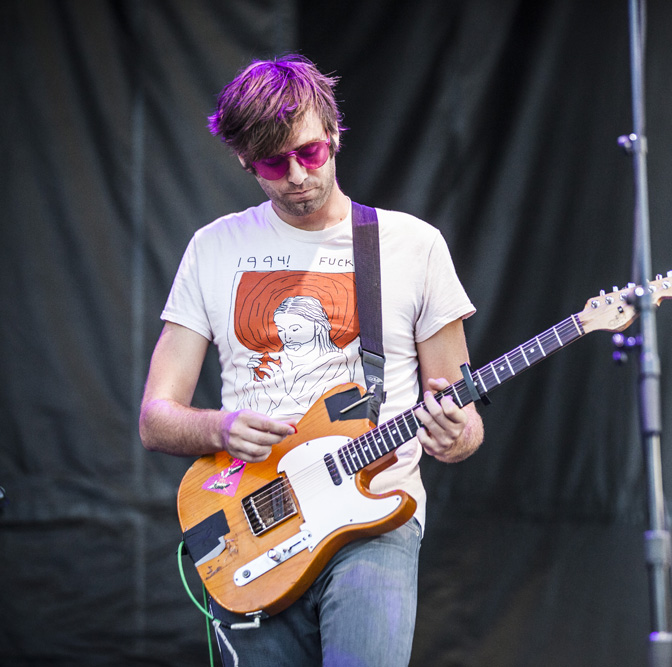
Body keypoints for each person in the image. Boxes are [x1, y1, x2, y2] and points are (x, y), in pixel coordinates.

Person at [139, 54, 483, 666]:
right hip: (254, 527)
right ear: (246, 162)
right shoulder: (214, 249)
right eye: (273, 163)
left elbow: (463, 411)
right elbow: (156, 416)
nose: (296, 176)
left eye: (310, 154)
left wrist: (456, 434)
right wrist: (218, 426)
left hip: (372, 523)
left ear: (334, 134)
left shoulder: (412, 245)